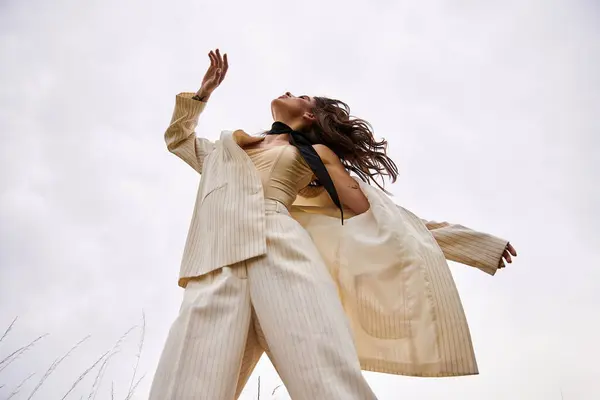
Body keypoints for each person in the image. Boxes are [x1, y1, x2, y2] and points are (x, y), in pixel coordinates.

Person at [149, 48, 518, 400]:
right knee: (187, 381)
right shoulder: (228, 150)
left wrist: (473, 245)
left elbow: (384, 216)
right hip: (215, 263)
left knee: (325, 377)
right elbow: (178, 139)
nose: (292, 92)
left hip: (281, 257)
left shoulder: (312, 155)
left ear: (309, 116)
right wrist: (202, 94)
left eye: (303, 96)